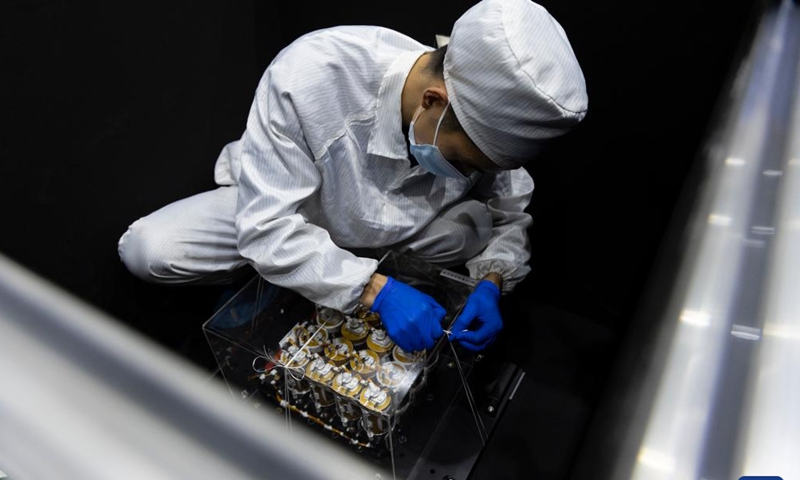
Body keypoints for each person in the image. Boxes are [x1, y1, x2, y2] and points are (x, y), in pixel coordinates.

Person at [118, 0, 588, 354]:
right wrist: (374, 290)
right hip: (295, 207)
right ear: (433, 102)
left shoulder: (480, 114)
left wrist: (491, 281)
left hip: (398, 231)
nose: (471, 174)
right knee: (150, 250)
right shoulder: (311, 75)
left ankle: (327, 270)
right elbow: (267, 227)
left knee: (474, 226)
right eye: (467, 162)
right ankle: (312, 271)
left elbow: (510, 205)